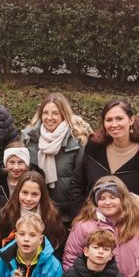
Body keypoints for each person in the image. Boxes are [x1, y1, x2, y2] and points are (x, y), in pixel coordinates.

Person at [70, 99, 139, 216]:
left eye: (119, 119)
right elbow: (77, 186)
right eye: (109, 120)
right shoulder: (93, 148)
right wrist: (85, 217)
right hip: (92, 223)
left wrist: (131, 226)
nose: (114, 124)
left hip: (130, 226)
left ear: (131, 120)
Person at [64, 176, 139, 277]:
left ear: (122, 198)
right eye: (102, 198)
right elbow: (71, 258)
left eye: (112, 197)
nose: (107, 202)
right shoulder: (83, 224)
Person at [21, 93, 90, 223]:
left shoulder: (76, 140)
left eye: (55, 113)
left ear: (64, 114)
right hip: (35, 212)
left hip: (67, 213)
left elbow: (82, 180)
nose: (49, 118)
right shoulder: (30, 138)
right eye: (45, 113)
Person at [0, 170, 67, 251]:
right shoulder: (5, 214)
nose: (28, 199)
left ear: (42, 195)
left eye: (34, 194)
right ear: (18, 192)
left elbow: (57, 247)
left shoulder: (52, 215)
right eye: (25, 193)